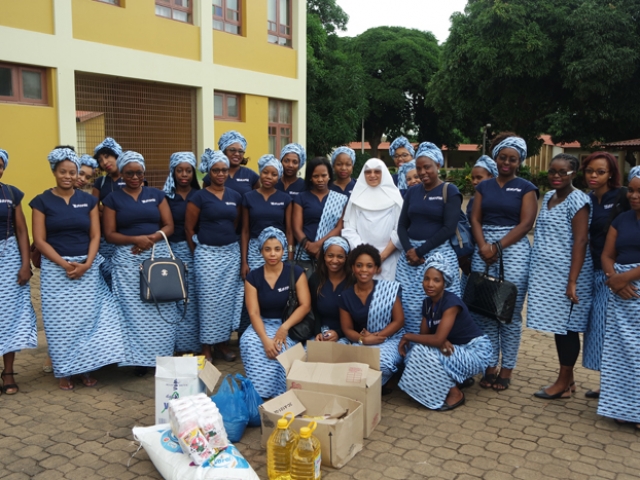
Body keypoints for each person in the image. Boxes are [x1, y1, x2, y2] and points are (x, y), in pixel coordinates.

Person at [31, 147, 125, 390]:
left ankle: (87, 368)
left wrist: (86, 264)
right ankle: (64, 370)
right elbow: (40, 240)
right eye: (63, 171)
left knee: (89, 321)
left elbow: (96, 235)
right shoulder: (41, 201)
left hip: (87, 267)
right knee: (61, 323)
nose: (68, 176)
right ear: (54, 171)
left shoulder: (89, 200)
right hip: (56, 270)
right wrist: (64, 264)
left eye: (72, 172)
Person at [469, 133, 538, 391]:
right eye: (502, 157)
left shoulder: (526, 188)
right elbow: (475, 218)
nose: (506, 162)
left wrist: (498, 245)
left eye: (512, 159)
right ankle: (489, 365)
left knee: (508, 313)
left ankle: (507, 368)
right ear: (495, 158)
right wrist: (484, 246)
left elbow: (526, 223)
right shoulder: (483, 187)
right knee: (484, 309)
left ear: (519, 161)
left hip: (514, 250)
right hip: (483, 248)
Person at [102, 151, 179, 376]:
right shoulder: (112, 199)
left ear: (144, 173)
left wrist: (150, 240)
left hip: (157, 255)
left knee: (160, 306)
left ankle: (161, 357)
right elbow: (109, 234)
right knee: (133, 311)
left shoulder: (156, 195)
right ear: (122, 174)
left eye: (138, 173)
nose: (134, 177)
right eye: (129, 173)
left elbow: (168, 226)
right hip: (128, 260)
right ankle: (138, 360)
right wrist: (135, 240)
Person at [527, 154, 593, 399]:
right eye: (552, 171)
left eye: (561, 172)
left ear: (573, 174)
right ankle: (570, 381)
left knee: (567, 329)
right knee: (558, 326)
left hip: (569, 275)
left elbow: (581, 240)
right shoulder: (548, 197)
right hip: (549, 276)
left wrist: (573, 280)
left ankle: (563, 383)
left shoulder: (578, 199)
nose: (555, 176)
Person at [398, 253, 491, 410]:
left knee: (421, 352)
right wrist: (438, 340)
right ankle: (457, 380)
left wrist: (409, 336)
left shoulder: (451, 303)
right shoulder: (428, 303)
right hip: (455, 349)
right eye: (426, 279)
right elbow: (426, 336)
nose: (430, 284)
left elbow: (435, 340)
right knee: (413, 356)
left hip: (475, 352)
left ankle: (455, 393)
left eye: (436, 280)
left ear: (444, 283)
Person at [396, 142, 462, 334]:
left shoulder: (450, 191)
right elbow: (402, 225)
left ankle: (436, 345)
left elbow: (449, 228)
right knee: (408, 305)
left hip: (437, 256)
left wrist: (420, 251)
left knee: (437, 305)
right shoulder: (412, 192)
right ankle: (409, 348)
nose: (423, 172)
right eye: (419, 168)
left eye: (427, 167)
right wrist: (409, 249)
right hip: (409, 259)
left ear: (438, 166)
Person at [186, 149, 243, 362]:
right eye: (216, 170)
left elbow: (235, 224)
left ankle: (222, 344)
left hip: (230, 255)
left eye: (224, 170)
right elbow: (190, 229)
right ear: (208, 172)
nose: (220, 174)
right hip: (207, 256)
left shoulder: (235, 196)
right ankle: (206, 348)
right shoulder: (198, 196)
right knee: (207, 303)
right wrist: (200, 253)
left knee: (227, 303)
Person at [240, 227, 311, 399]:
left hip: (289, 323)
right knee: (249, 342)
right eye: (267, 249)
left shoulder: (295, 272)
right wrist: (265, 339)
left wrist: (284, 328)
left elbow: (305, 305)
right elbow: (254, 313)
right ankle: (259, 394)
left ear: (284, 250)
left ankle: (282, 393)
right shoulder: (254, 277)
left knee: (283, 347)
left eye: (277, 249)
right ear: (261, 251)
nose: (273, 254)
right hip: (263, 323)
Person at [581, 152, 628, 399]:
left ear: (611, 173)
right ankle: (608, 382)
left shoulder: (622, 197)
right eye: (590, 171)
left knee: (612, 328)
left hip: (618, 274)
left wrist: (618, 275)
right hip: (593, 271)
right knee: (597, 328)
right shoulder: (586, 199)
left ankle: (616, 385)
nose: (594, 176)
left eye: (600, 171)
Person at [598, 166, 640, 429]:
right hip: (619, 293)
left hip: (633, 286)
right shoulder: (622, 220)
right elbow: (606, 255)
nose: (634, 196)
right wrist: (614, 278)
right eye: (632, 191)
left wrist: (626, 277)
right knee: (619, 352)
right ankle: (622, 407)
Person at [338, 244, 404, 387]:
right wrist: (364, 339)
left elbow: (399, 321)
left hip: (389, 338)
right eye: (359, 265)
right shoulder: (346, 296)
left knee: (381, 363)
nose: (364, 270)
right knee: (345, 362)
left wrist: (377, 336)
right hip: (363, 340)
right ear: (353, 267)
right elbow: (347, 329)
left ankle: (378, 383)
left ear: (376, 268)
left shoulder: (388, 289)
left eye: (369, 266)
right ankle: (370, 387)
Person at [0, 148, 37, 396]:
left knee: (9, 314)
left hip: (9, 257)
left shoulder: (11, 193)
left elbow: (22, 231)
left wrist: (26, 264)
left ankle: (9, 372)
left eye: (0, 165)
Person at [163, 152, 201, 354]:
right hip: (172, 250)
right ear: (173, 171)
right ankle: (174, 345)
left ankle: (193, 345)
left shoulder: (200, 194)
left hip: (195, 251)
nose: (184, 174)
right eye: (179, 170)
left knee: (192, 299)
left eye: (188, 170)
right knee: (175, 298)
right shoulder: (166, 196)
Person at [342, 158, 403, 281]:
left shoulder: (395, 199)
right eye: (368, 172)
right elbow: (349, 230)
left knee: (388, 297)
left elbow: (399, 230)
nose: (372, 175)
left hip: (390, 259)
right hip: (362, 262)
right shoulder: (356, 199)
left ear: (384, 173)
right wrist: (367, 259)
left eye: (377, 172)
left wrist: (380, 258)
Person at [241, 154, 292, 276]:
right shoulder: (248, 197)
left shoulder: (285, 199)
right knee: (256, 286)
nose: (269, 177)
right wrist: (244, 262)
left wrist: (290, 258)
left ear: (279, 177)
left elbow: (289, 232)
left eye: (274, 175)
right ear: (260, 172)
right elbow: (245, 231)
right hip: (255, 251)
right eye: (265, 172)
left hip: (279, 250)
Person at [292, 157, 348, 269]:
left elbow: (340, 226)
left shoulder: (341, 199)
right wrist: (309, 247)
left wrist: (318, 246)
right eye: (315, 176)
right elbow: (296, 228)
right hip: (304, 253)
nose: (320, 179)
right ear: (310, 178)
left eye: (324, 175)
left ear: (329, 176)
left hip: (331, 253)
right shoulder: (301, 198)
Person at [459, 156, 498, 288]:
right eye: (473, 178)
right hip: (475, 253)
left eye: (479, 178)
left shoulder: (498, 200)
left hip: (494, 252)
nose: (475, 181)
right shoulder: (472, 200)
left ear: (491, 176)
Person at [91, 137, 125, 287]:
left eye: (107, 156)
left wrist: (107, 209)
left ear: (117, 155)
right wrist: (106, 213)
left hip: (127, 237)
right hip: (106, 240)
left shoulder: (132, 177)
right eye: (100, 159)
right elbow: (92, 205)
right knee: (107, 275)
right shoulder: (101, 182)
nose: (104, 162)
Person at [309, 237, 350, 342]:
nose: (335, 260)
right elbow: (313, 311)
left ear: (346, 257)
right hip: (321, 334)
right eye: (330, 255)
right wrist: (317, 332)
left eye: (340, 256)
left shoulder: (353, 282)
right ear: (324, 256)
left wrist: (339, 333)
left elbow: (358, 317)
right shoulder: (315, 279)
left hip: (346, 336)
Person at [202, 131, 259, 195]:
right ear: (224, 151)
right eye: (232, 150)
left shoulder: (251, 176)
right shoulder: (212, 175)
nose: (237, 154)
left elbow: (257, 200)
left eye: (240, 151)